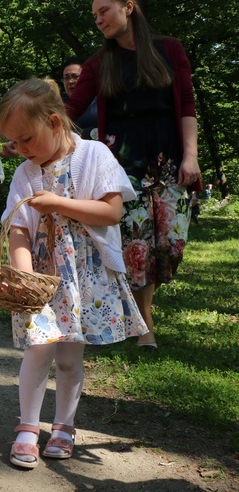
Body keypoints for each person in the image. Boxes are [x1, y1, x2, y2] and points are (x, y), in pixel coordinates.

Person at [0, 77, 147, 469]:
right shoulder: (26, 174)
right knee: (37, 350)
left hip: (83, 275)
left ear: (55, 123)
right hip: (44, 278)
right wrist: (26, 278)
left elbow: (112, 211)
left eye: (27, 139)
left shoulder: (94, 155)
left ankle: (64, 425)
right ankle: (28, 427)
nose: (23, 151)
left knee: (68, 356)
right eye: (15, 143)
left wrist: (60, 204)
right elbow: (18, 230)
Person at [66, 0, 200, 351]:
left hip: (170, 163)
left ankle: (141, 313)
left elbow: (186, 103)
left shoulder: (169, 49)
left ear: (129, 7)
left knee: (167, 247)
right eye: (94, 15)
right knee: (136, 245)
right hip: (123, 168)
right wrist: (32, 131)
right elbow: (72, 109)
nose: (98, 20)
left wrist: (191, 156)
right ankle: (145, 325)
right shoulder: (98, 63)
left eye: (104, 10)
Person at [61, 57, 97, 139]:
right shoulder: (59, 107)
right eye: (66, 78)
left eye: (75, 76)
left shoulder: (100, 104)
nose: (70, 81)